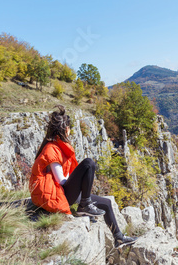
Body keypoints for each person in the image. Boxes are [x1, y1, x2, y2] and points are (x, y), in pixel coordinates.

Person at [29, 105, 137, 247]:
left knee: (107, 203)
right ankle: (85, 205)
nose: (70, 130)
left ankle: (119, 237)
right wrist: (79, 183)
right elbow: (61, 180)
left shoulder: (57, 147)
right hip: (58, 194)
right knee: (88, 163)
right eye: (69, 127)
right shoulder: (51, 149)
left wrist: (79, 184)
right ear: (64, 129)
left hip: (63, 192)